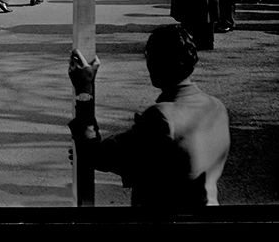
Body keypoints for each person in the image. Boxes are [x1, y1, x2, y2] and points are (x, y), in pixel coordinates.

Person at [67, 25, 230, 208]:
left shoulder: (161, 117)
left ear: (154, 63)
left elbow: (96, 155)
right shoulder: (217, 108)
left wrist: (84, 90)